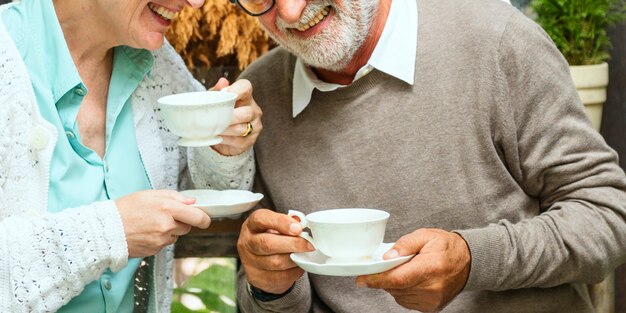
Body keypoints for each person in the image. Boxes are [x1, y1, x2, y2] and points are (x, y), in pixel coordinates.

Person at [231, 0, 626, 312]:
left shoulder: (495, 39)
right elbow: (272, 292)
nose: (290, 12)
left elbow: (606, 216)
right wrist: (268, 288)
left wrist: (473, 260)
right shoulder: (259, 97)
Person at [0, 0, 262, 311]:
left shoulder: (157, 62)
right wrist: (109, 232)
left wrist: (223, 146)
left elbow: (212, 191)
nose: (196, 3)